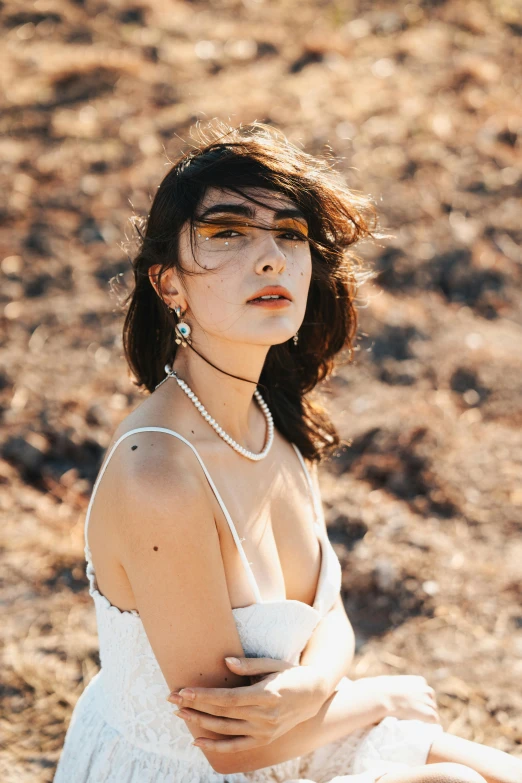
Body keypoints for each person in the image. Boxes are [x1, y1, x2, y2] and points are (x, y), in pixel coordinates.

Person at [53, 121, 521, 783]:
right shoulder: (157, 472)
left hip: (299, 736)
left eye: (290, 234)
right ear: (169, 285)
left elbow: (329, 614)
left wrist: (309, 688)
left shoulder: (272, 419)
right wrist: (376, 696)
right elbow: (230, 745)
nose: (270, 258)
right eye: (228, 232)